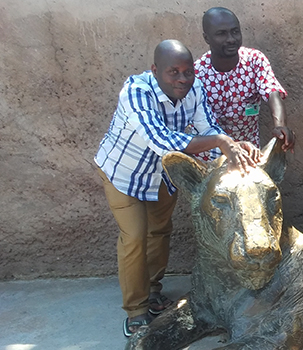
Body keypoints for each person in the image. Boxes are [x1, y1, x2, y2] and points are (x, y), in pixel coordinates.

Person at [94, 39, 259, 337]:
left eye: (188, 72)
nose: (183, 79)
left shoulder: (194, 90)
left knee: (159, 233)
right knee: (134, 238)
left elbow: (207, 128)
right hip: (124, 176)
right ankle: (136, 310)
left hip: (162, 176)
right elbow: (162, 142)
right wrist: (221, 143)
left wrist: (232, 145)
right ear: (155, 70)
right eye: (174, 72)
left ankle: (153, 292)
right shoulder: (136, 91)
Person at [194, 6, 295, 160]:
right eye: (222, 34)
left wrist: (280, 126)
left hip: (249, 153)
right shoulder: (197, 73)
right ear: (207, 38)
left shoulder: (255, 60)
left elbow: (272, 93)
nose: (231, 39)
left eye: (235, 31)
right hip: (211, 155)